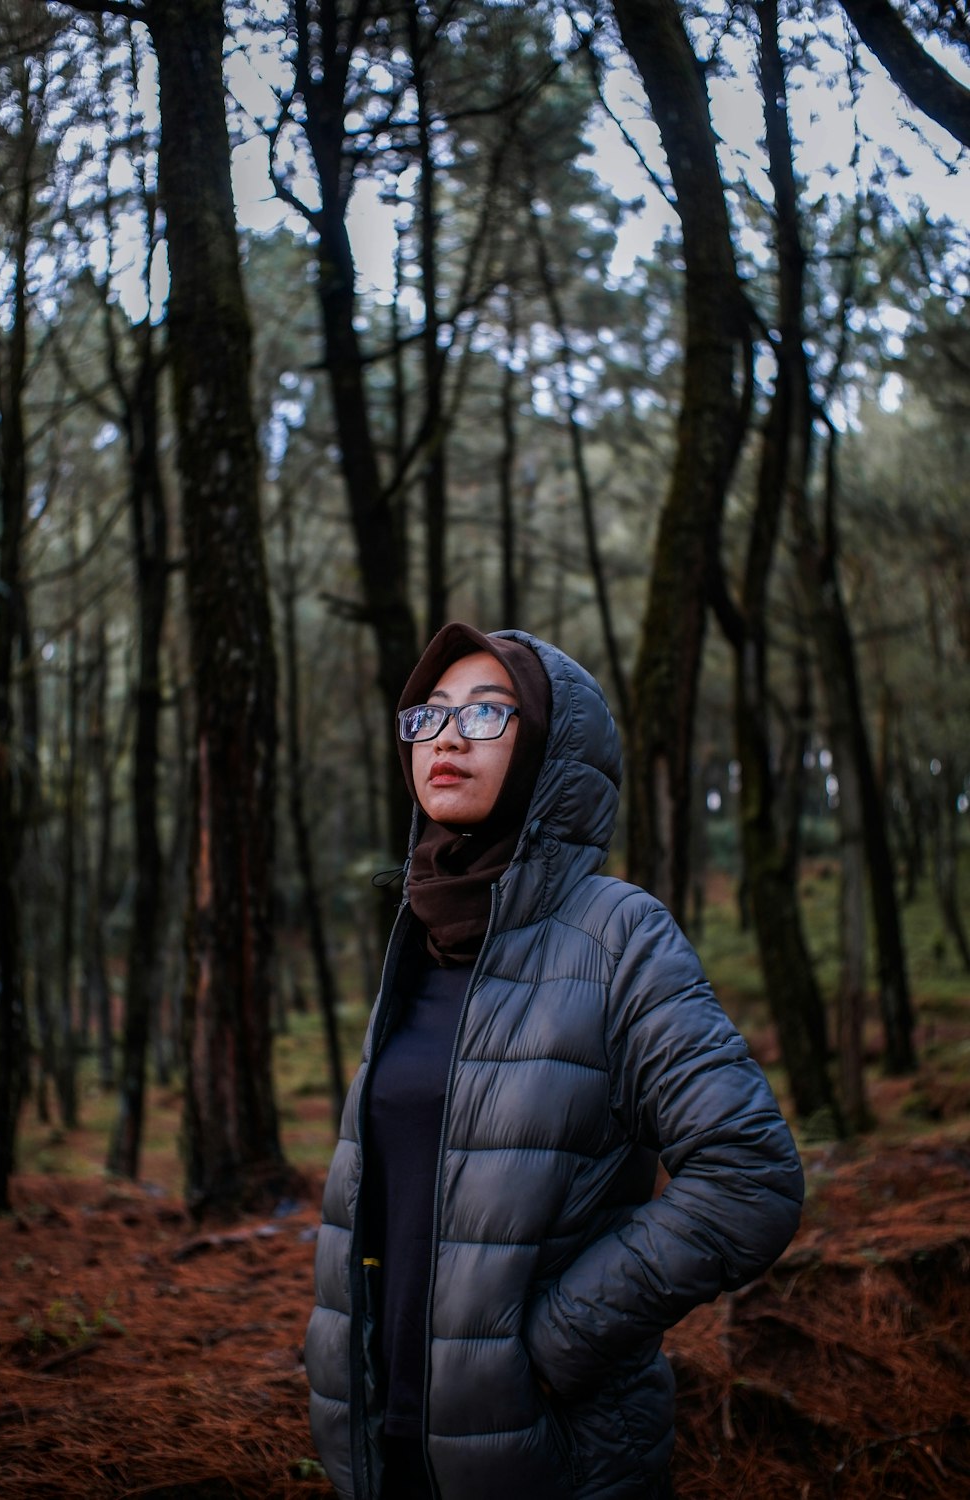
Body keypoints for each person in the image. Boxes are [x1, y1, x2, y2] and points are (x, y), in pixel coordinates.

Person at [305, 624, 804, 1500]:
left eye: (490, 715)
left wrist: (555, 1341)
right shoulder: (419, 940)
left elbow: (748, 1175)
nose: (450, 737)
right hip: (386, 1449)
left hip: (550, 1458)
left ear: (549, 753)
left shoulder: (618, 935)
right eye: (432, 715)